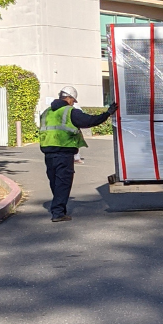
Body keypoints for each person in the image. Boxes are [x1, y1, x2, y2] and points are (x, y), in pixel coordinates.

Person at [40, 86, 117, 222]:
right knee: (63, 183)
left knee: (55, 183)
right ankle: (58, 213)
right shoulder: (70, 112)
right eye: (73, 101)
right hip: (64, 152)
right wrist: (107, 113)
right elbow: (89, 121)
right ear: (69, 98)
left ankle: (58, 209)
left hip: (48, 153)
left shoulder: (47, 112)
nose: (73, 103)